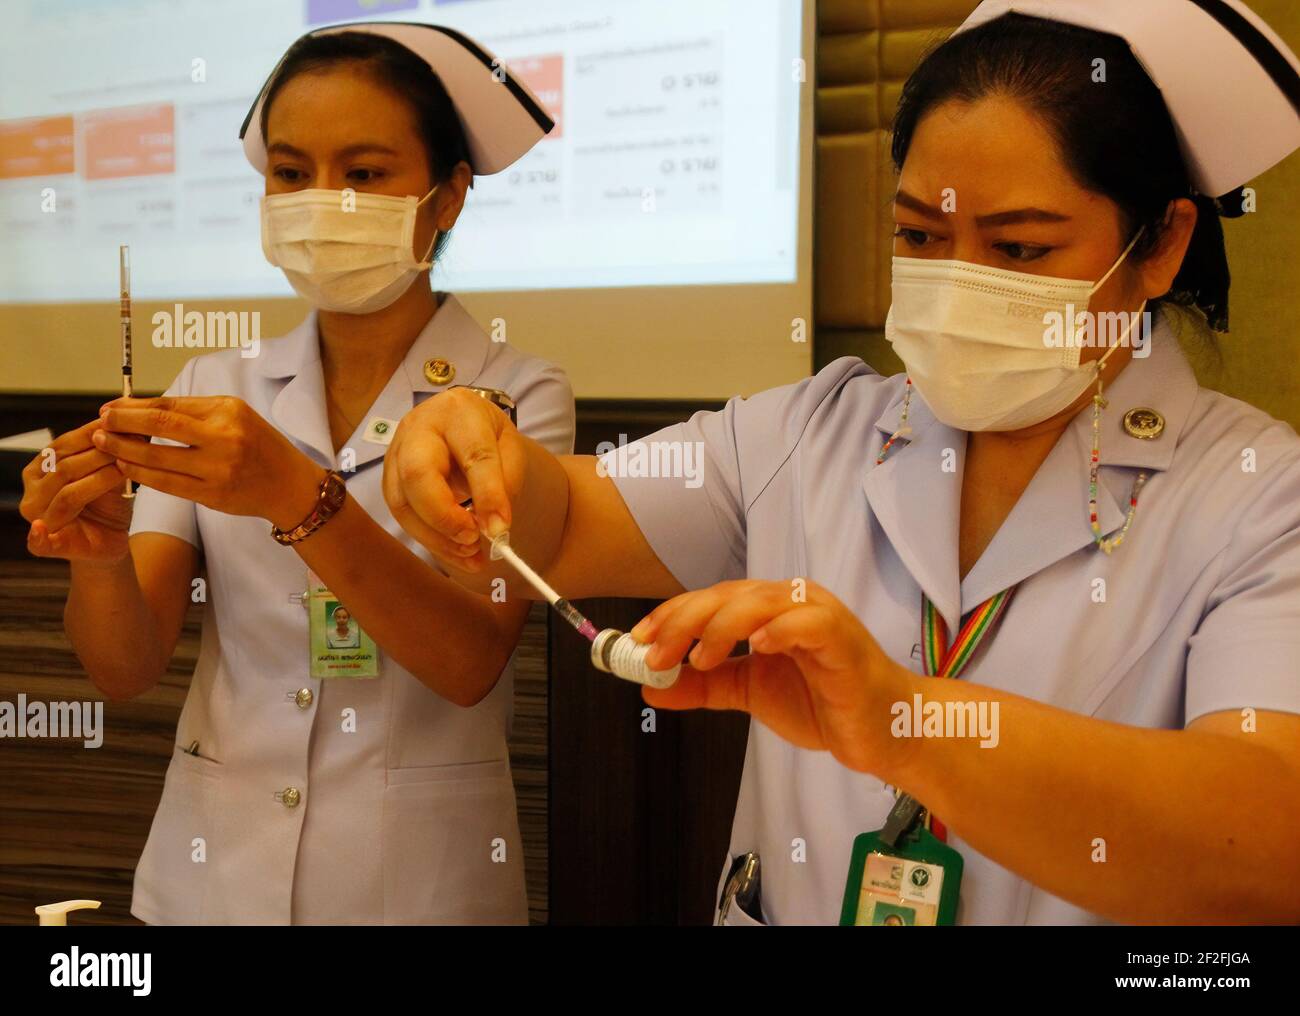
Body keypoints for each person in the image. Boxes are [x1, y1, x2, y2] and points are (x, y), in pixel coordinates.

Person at [381, 1, 1300, 924]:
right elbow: (564, 519)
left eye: (1019, 249)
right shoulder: (811, 434)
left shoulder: (1259, 497)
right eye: (921, 239)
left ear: (1162, 244)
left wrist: (907, 724)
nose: (959, 284)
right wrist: (469, 448)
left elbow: (1268, 838)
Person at [20, 22, 573, 925]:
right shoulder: (214, 385)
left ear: (447, 199)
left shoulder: (518, 396)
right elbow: (126, 666)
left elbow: (471, 658)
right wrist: (98, 556)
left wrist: (295, 494)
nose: (324, 202)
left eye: (363, 174)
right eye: (290, 173)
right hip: (211, 881)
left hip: (417, 889)